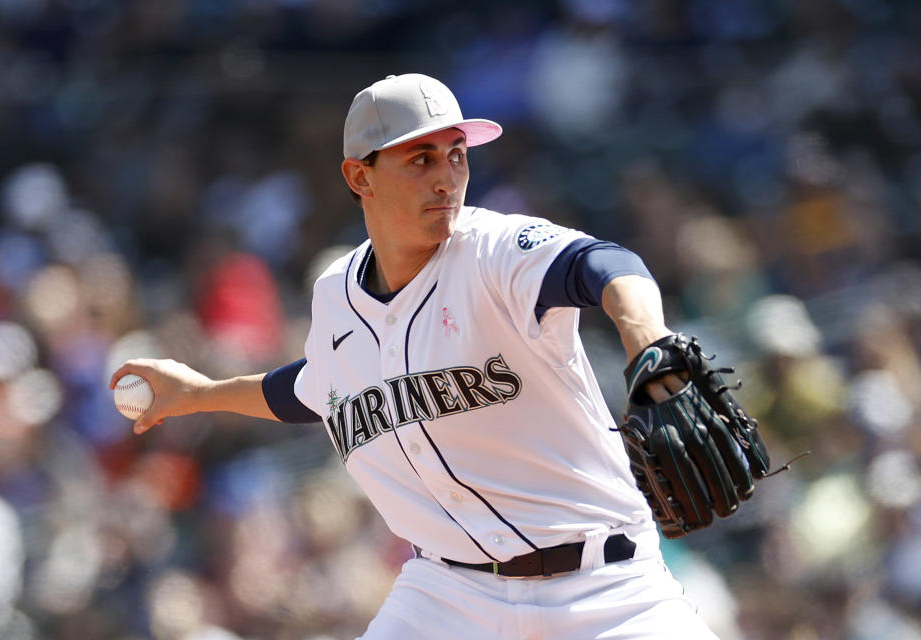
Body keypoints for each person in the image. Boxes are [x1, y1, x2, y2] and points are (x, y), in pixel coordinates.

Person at [112, 73, 718, 639]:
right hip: (448, 596)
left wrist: (650, 342)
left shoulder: (493, 250)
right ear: (360, 177)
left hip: (605, 589)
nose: (447, 177)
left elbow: (607, 266)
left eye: (457, 155)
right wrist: (198, 394)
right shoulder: (336, 297)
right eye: (420, 159)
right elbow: (314, 388)